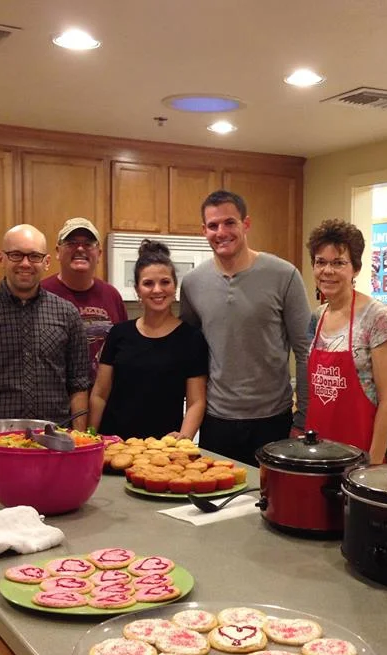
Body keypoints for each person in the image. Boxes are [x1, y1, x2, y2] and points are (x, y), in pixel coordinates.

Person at [179, 190, 311, 466]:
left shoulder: (284, 275)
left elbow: (304, 350)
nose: (221, 232)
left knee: (271, 504)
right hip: (216, 421)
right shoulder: (192, 283)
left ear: (246, 224)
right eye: (213, 226)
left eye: (230, 223)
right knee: (218, 504)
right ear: (204, 230)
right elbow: (191, 356)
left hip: (273, 420)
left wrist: (302, 418)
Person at [0, 224, 91, 428]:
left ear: (46, 262)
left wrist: (79, 439)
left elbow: (78, 385)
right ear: (2, 259)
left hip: (56, 440)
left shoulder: (67, 313)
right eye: (16, 255)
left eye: (34, 256)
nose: (26, 263)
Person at [89, 240, 208, 440]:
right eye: (148, 283)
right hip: (114, 444)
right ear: (137, 290)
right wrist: (90, 437)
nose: (157, 290)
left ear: (174, 286)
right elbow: (100, 394)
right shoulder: (119, 334)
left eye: (164, 282)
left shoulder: (192, 338)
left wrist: (184, 438)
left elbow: (197, 401)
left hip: (161, 449)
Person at [306, 219, 387, 464]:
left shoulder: (376, 316)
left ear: (355, 268)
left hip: (362, 454)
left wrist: (373, 464)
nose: (327, 271)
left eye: (338, 263)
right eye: (320, 262)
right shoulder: (318, 316)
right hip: (320, 453)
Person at [41, 217, 127, 380]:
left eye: (88, 244)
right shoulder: (41, 293)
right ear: (58, 251)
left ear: (99, 253)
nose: (80, 248)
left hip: (104, 399)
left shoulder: (112, 296)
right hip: (56, 400)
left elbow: (122, 352)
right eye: (71, 242)